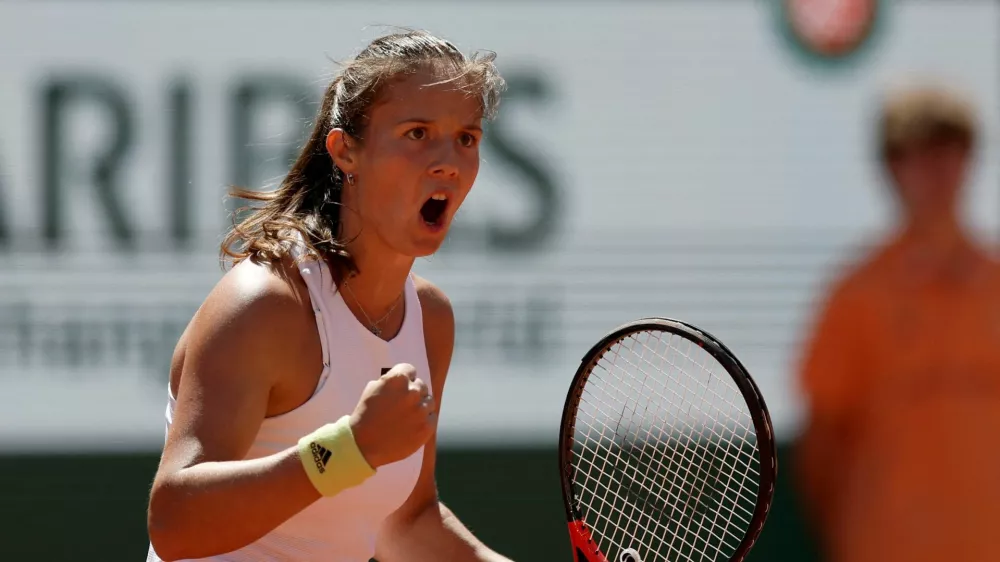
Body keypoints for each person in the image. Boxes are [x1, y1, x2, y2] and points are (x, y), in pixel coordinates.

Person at [144, 30, 513, 562]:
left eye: (466, 138)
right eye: (417, 133)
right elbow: (175, 524)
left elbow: (404, 523)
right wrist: (349, 449)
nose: (448, 162)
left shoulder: (430, 318)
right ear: (346, 151)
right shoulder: (266, 304)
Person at [795, 82, 1000, 562]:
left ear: (969, 160)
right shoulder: (854, 297)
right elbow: (822, 449)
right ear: (891, 168)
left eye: (949, 149)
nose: (936, 170)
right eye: (918, 153)